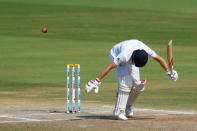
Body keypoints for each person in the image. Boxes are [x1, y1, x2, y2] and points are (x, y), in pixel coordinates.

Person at [85, 39, 178, 120]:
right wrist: (97, 81)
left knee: (138, 86)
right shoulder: (124, 56)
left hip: (132, 53)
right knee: (126, 82)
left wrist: (169, 72)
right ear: (133, 58)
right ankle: (119, 111)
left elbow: (159, 59)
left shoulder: (146, 50)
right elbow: (110, 66)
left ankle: (127, 107)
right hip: (115, 53)